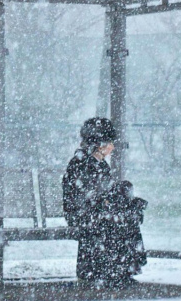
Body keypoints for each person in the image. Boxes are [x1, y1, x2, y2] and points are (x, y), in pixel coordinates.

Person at [62, 117, 148, 287]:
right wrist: (110, 203)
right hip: (83, 214)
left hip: (96, 212)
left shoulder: (98, 164)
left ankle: (120, 270)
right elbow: (85, 197)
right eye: (109, 142)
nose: (112, 147)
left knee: (126, 215)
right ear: (99, 143)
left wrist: (122, 201)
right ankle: (111, 271)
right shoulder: (81, 163)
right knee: (116, 219)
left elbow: (104, 192)